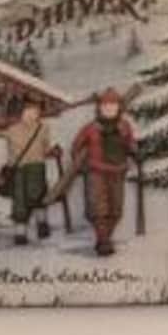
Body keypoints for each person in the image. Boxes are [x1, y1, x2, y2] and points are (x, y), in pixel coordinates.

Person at [65, 88, 140, 256]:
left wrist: (134, 151)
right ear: (99, 108)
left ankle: (105, 238)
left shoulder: (124, 126)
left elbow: (130, 142)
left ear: (118, 107)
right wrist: (82, 165)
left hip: (118, 172)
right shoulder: (90, 128)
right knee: (98, 209)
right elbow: (76, 146)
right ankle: (103, 240)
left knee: (115, 209)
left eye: (113, 106)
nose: (109, 109)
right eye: (106, 106)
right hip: (96, 172)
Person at [0, 101, 59, 245]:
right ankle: (20, 233)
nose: (31, 115)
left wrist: (53, 152)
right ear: (21, 113)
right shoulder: (11, 129)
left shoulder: (43, 128)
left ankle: (42, 224)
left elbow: (45, 148)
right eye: (28, 111)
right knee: (20, 200)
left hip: (37, 166)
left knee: (38, 196)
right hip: (18, 169)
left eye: (35, 112)